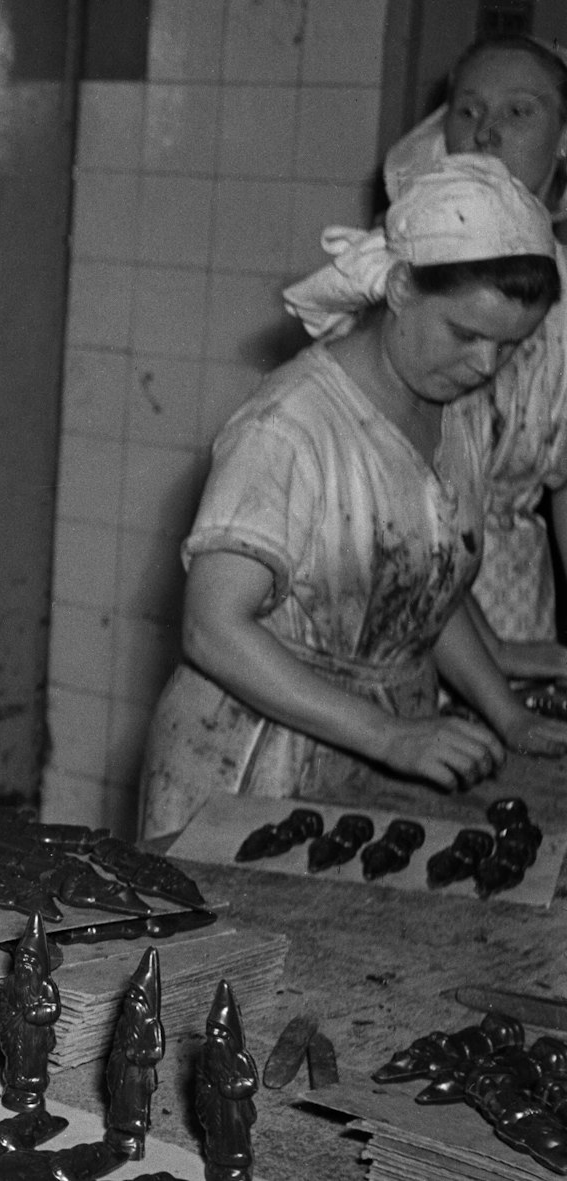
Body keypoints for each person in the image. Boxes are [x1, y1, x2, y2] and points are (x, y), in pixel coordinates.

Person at [138, 155, 567, 841]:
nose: (486, 365)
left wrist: (506, 715)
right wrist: (392, 737)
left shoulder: (453, 414)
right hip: (251, 758)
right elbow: (212, 628)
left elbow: (422, 586)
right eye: (466, 333)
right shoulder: (289, 426)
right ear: (399, 287)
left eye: (510, 346)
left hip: (382, 748)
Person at [384, 36, 567, 676]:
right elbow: (396, 499)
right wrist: (494, 656)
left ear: (565, 137)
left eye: (520, 112)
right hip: (403, 592)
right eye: (469, 110)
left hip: (517, 599)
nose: (486, 132)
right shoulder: (400, 275)